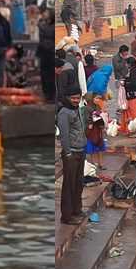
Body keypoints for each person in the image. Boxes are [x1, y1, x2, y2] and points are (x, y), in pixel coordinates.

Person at [57, 82, 87, 225]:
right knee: (69, 185)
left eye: (78, 98)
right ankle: (67, 216)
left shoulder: (77, 109)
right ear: (68, 98)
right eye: (73, 98)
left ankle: (77, 210)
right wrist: (67, 153)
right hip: (71, 154)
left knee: (78, 183)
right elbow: (64, 135)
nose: (76, 100)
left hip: (81, 151)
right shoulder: (64, 112)